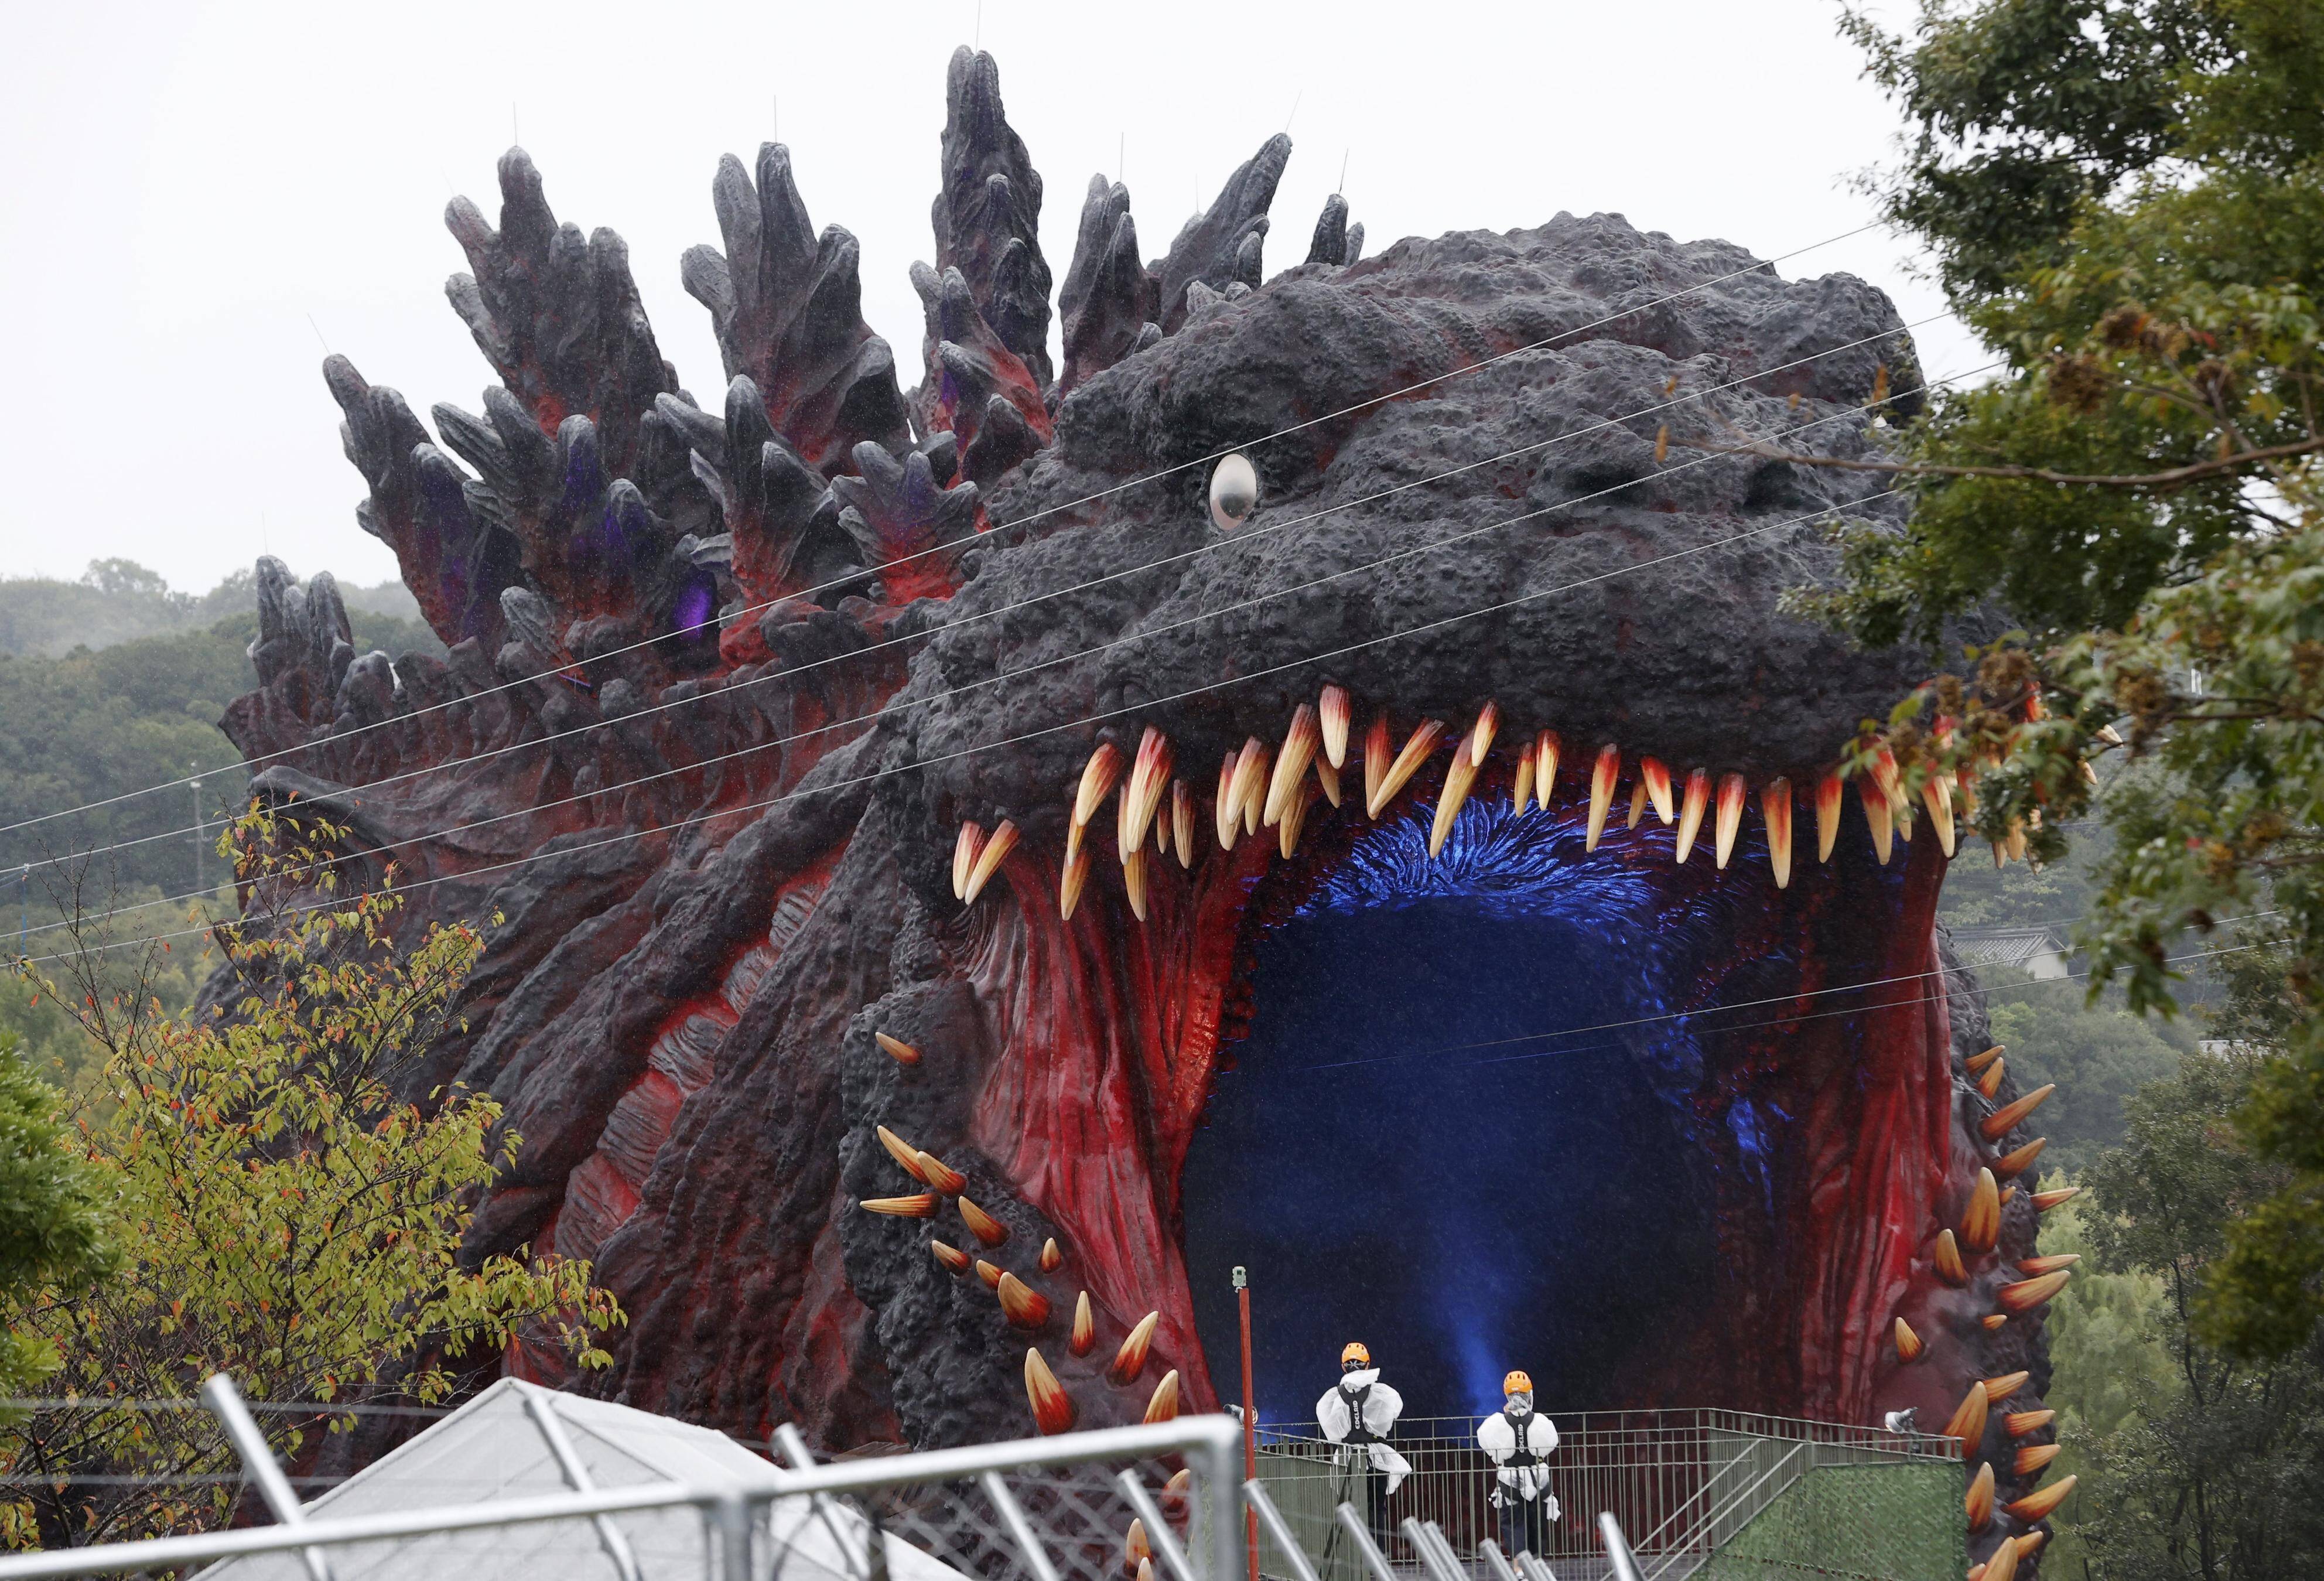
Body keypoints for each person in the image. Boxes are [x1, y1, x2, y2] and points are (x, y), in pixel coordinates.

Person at [1315, 1342, 1409, 1549]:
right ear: (1368, 1365)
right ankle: (1378, 1557)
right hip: (1377, 1458)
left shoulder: (1332, 1398)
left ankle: (1354, 1558)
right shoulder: (1384, 1393)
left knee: (1350, 1510)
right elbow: (1393, 1412)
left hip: (1347, 1459)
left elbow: (1331, 1430)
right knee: (1376, 1508)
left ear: (1343, 1367)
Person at [1476, 1370, 1559, 1559]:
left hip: (1510, 1479)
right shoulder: (1541, 1422)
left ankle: (1519, 1567)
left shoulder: (1495, 1423)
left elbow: (1485, 1442)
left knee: (1513, 1525)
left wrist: (1501, 1455)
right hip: (1538, 1478)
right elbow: (1551, 1443)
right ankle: (1537, 1564)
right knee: (1538, 1524)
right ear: (1529, 1395)